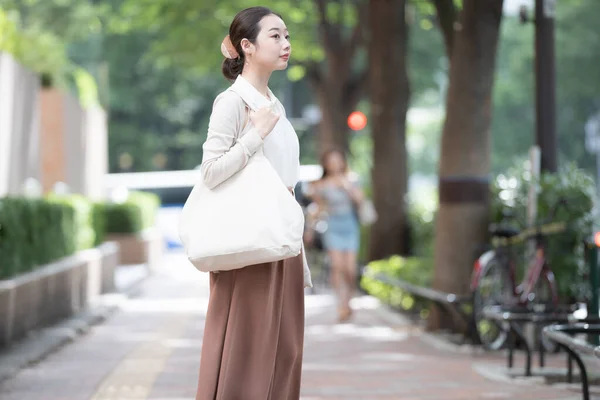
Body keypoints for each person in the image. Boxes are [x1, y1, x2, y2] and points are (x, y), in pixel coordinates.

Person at [195, 7, 312, 400]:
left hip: (280, 243)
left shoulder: (273, 104)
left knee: (285, 353)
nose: (286, 44)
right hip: (246, 245)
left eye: (287, 36)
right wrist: (254, 136)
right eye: (276, 36)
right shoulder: (232, 103)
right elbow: (210, 172)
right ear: (247, 46)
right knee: (247, 355)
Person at [305, 148, 364, 322]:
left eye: (337, 160)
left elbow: (360, 200)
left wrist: (346, 186)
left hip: (350, 225)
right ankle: (341, 304)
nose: (334, 164)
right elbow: (318, 208)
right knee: (337, 266)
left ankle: (349, 300)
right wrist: (309, 229)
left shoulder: (352, 179)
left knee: (350, 269)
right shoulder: (322, 184)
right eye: (330, 160)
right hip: (332, 225)